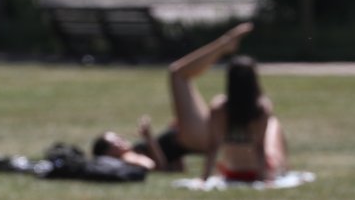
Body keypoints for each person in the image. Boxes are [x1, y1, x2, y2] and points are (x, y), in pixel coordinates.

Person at [94, 23, 289, 177]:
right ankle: (223, 45)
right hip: (194, 138)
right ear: (106, 155)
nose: (119, 141)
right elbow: (156, 166)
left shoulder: (132, 151)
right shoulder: (128, 158)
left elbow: (174, 164)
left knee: (179, 75)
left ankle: (224, 45)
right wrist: (150, 139)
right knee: (177, 74)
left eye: (116, 137)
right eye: (113, 143)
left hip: (191, 137)